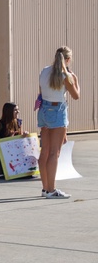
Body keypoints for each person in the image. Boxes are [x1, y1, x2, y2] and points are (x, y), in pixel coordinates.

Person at [37, 46, 80, 199]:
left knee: (45, 151)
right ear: (67, 60)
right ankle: (51, 189)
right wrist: (75, 80)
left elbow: (41, 92)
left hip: (44, 110)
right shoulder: (65, 76)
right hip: (57, 111)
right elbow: (76, 95)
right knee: (55, 152)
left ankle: (45, 188)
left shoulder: (44, 71)